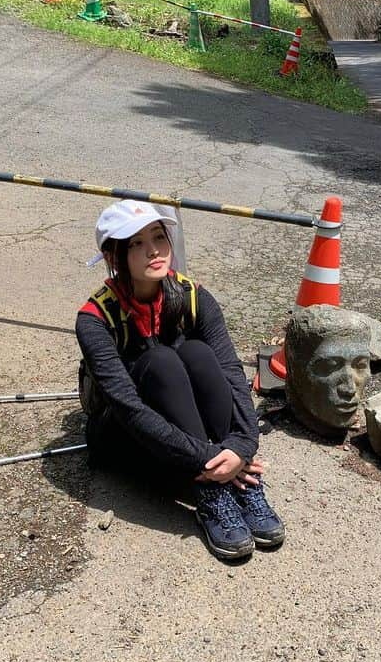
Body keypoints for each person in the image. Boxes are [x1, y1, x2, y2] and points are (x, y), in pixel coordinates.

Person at [75, 200, 284, 559]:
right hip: (124, 435)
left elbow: (233, 374)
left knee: (199, 354)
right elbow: (130, 410)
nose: (153, 250)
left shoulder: (193, 296)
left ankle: (238, 482)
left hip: (193, 440)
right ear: (114, 256)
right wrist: (212, 457)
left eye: (158, 237)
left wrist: (242, 446)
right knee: (160, 361)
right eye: (136, 243)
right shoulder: (94, 319)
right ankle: (212, 492)